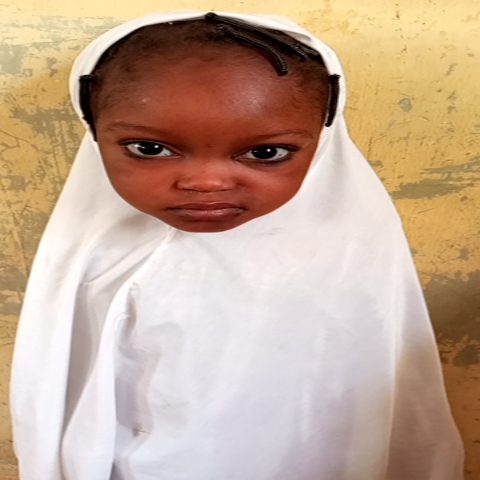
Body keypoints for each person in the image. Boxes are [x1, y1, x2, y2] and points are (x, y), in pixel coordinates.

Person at [10, 10, 463, 480]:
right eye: (150, 149)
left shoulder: (357, 254)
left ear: (322, 139)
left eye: (266, 153)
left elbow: (388, 404)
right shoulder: (95, 261)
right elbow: (67, 409)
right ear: (94, 133)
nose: (206, 183)